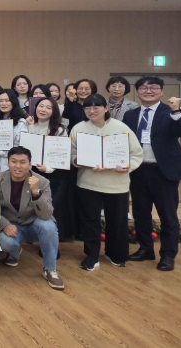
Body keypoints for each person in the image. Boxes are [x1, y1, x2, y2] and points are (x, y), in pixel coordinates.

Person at [70, 94, 143, 270]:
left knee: (117, 221)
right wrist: (81, 161)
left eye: (96, 107)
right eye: (87, 108)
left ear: (105, 108)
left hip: (116, 184)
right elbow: (71, 153)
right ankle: (91, 255)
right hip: (88, 183)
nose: (91, 111)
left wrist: (126, 166)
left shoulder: (121, 127)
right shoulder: (78, 128)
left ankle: (115, 253)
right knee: (90, 221)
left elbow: (136, 154)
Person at [124, 77, 181, 272]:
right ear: (137, 92)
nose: (148, 90)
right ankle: (145, 249)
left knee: (168, 216)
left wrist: (177, 111)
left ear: (161, 91)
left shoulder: (172, 112)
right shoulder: (131, 115)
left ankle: (168, 255)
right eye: (143, 87)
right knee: (141, 213)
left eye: (153, 87)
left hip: (163, 172)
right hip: (138, 170)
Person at [0, 146, 65, 290]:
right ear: (8, 162)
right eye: (14, 161)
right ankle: (14, 251)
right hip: (11, 225)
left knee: (48, 226)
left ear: (30, 164)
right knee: (5, 242)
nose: (18, 166)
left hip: (34, 224)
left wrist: (36, 192)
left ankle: (50, 269)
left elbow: (46, 214)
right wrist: (4, 224)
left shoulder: (42, 182)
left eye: (22, 162)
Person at [26, 97, 72, 241]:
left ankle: (51, 243)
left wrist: (49, 168)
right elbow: (29, 147)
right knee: (35, 206)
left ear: (54, 112)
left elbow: (62, 154)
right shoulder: (29, 125)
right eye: (41, 106)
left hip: (54, 175)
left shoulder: (59, 130)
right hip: (33, 173)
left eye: (48, 107)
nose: (43, 109)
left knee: (51, 208)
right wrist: (31, 127)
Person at [0, 89, 29, 175]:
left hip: (7, 168)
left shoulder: (21, 123)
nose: (3, 103)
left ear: (13, 102)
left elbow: (19, 148)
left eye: (7, 100)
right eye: (1, 101)